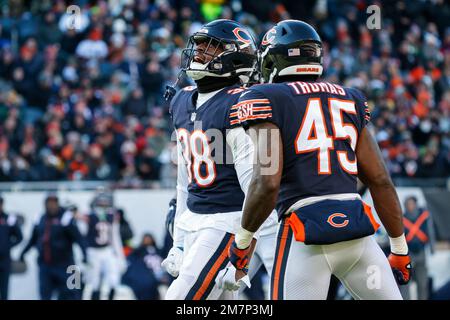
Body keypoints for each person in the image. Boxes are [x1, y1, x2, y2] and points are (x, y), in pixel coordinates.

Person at [228, 20, 411, 300]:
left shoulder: (264, 97)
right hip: (358, 236)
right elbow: (379, 179)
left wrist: (242, 240)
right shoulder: (349, 97)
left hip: (304, 236)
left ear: (273, 60)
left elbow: (267, 182)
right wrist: (399, 247)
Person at [161, 19, 261, 300]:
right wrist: (178, 243)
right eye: (199, 46)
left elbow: (255, 187)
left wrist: (243, 254)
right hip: (194, 219)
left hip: (226, 222)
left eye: (210, 48)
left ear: (235, 57)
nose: (199, 53)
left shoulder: (238, 102)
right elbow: (184, 182)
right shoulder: (181, 100)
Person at [20, 193, 87, 300]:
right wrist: (23, 253)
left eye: (54, 203)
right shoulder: (40, 219)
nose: (51, 205)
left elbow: (79, 239)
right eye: (49, 203)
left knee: (73, 294)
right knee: (45, 295)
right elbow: (33, 239)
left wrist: (85, 255)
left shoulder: (67, 219)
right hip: (45, 265)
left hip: (67, 265)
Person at [80, 192, 125, 300]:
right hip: (93, 251)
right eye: (101, 202)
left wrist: (120, 255)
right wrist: (83, 255)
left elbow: (115, 237)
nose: (103, 205)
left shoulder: (111, 216)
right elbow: (82, 237)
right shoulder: (88, 216)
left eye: (105, 203)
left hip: (107, 250)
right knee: (93, 281)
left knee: (113, 278)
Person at [401, 196, 435, 300]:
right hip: (408, 253)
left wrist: (432, 247)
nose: (410, 206)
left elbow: (430, 231)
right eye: (408, 204)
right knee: (406, 282)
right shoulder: (402, 219)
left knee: (422, 281)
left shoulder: (424, 217)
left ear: (415, 204)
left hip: (421, 252)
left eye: (411, 204)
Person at [122, 233, 164, 300]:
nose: (147, 240)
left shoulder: (159, 251)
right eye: (146, 239)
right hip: (147, 275)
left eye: (149, 238)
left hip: (160, 273)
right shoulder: (139, 251)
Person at [0, 195, 23, 300]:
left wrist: (7, 246)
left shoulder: (9, 218)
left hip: (4, 260)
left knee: (4, 289)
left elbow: (19, 236)